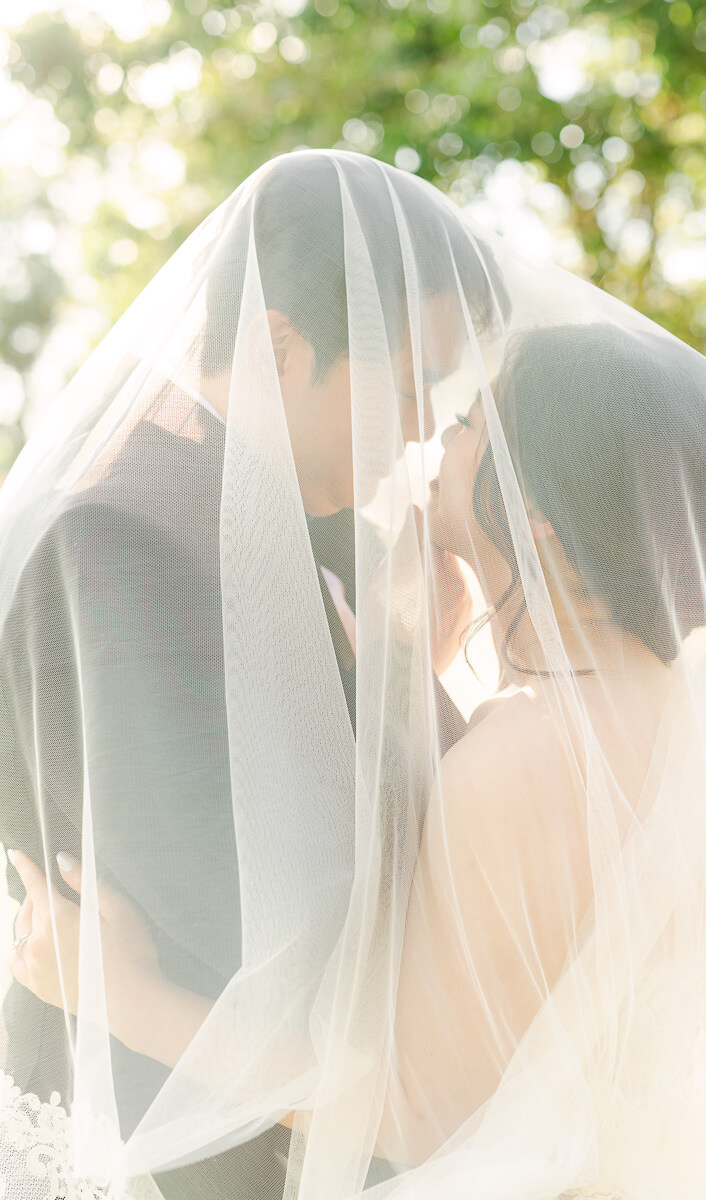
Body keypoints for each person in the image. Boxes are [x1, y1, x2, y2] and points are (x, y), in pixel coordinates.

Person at [9, 320, 706, 1199]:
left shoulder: (532, 756)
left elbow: (414, 1106)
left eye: (470, 425)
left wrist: (127, 996)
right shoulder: (698, 742)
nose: (433, 438)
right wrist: (408, 672)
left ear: (535, 515)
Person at [0, 150, 507, 1199]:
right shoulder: (119, 540)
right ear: (280, 344)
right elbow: (268, 935)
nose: (418, 427)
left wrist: (406, 661)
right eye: (410, 386)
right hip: (179, 1149)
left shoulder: (306, 527)